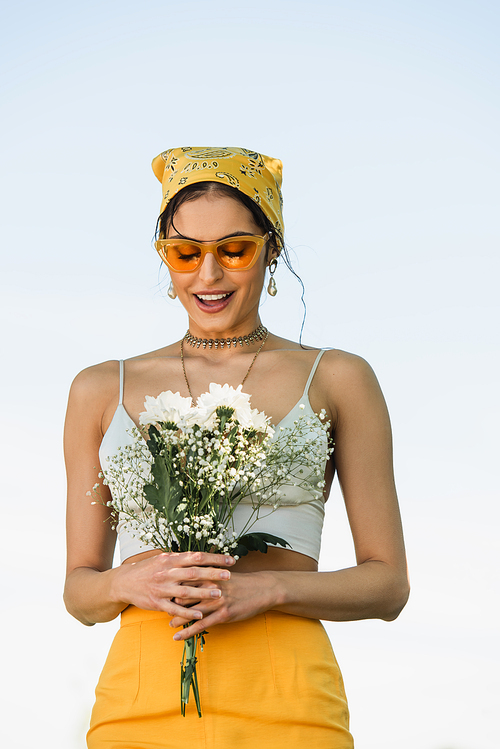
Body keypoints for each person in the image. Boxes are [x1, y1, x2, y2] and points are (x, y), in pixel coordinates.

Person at [64, 146, 409, 749]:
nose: (209, 275)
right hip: (137, 702)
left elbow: (387, 586)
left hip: (290, 700)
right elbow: (78, 590)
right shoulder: (100, 388)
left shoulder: (338, 377)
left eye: (234, 250)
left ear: (271, 249)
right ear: (165, 259)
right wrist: (125, 584)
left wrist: (267, 589)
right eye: (185, 252)